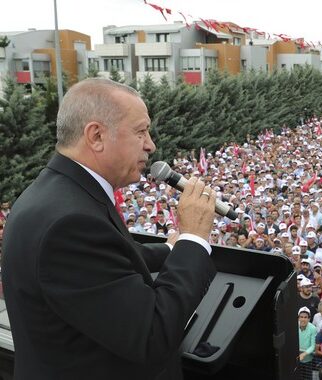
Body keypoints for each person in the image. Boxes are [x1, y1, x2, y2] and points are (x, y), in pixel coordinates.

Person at [1, 78, 217, 380]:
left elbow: (111, 260)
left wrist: (171, 249)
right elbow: (152, 336)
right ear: (97, 135)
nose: (151, 144)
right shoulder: (70, 224)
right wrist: (194, 239)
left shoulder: (57, 194)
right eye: (140, 131)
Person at [297, 307, 317, 379]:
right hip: (296, 359)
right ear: (298, 318)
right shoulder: (294, 325)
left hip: (308, 360)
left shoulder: (313, 328)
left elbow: (313, 346)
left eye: (305, 317)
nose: (303, 319)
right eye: (301, 317)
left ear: (309, 319)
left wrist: (303, 354)